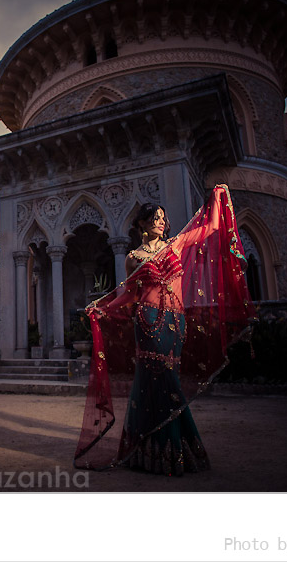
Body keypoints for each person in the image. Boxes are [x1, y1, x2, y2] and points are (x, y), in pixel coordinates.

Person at [74, 184, 256, 475]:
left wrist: (218, 196)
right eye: (155, 217)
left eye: (163, 218)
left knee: (166, 378)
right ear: (142, 223)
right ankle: (170, 447)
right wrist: (102, 307)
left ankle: (153, 448)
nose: (161, 221)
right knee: (159, 380)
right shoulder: (133, 257)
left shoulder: (176, 245)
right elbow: (128, 294)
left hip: (175, 322)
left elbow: (210, 226)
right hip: (147, 319)